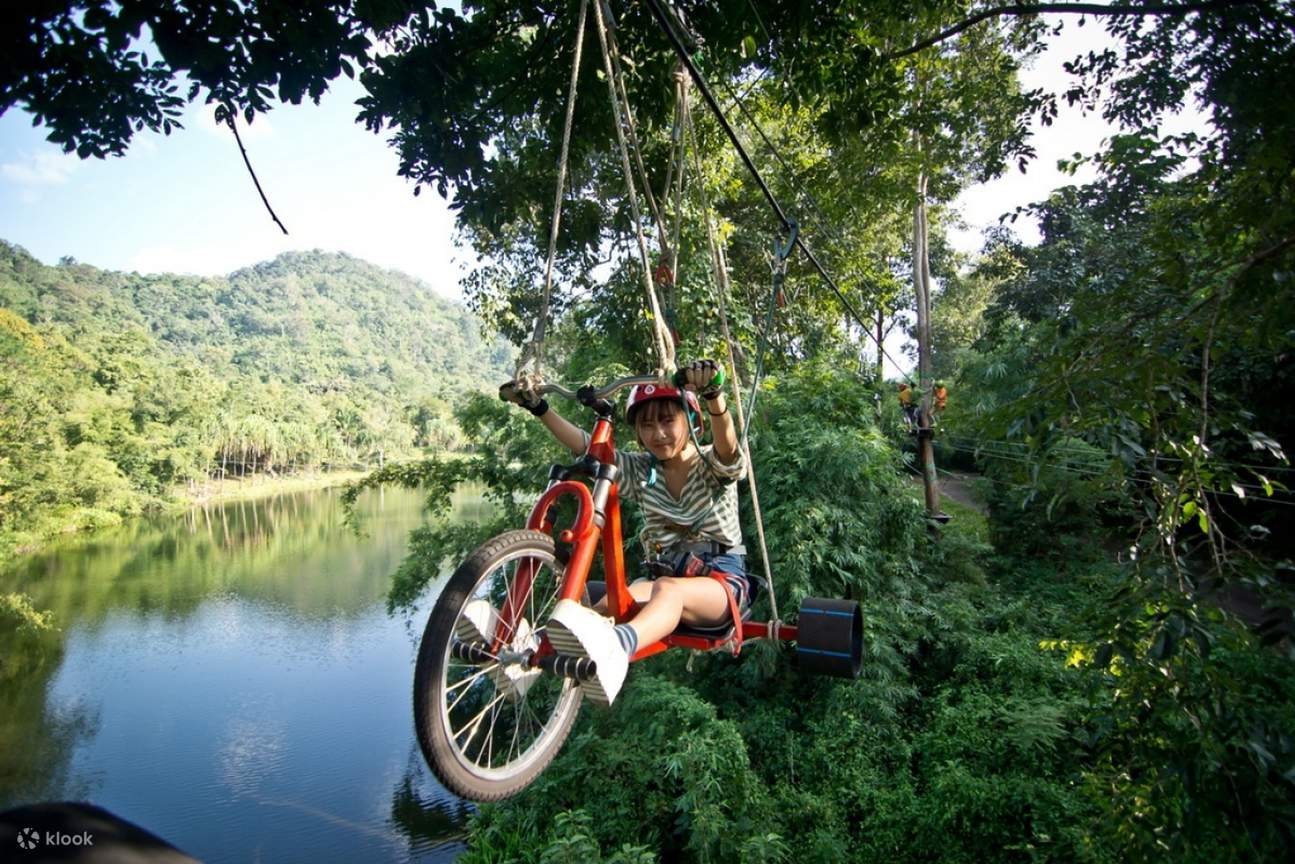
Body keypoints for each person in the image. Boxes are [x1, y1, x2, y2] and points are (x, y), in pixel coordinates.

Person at [500, 359, 749, 706]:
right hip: (666, 574)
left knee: (668, 590)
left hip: (720, 581)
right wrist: (537, 407)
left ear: (692, 422)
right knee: (606, 606)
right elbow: (586, 446)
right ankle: (524, 650)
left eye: (668, 421)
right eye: (647, 425)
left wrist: (713, 395)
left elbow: (729, 448)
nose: (658, 434)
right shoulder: (642, 470)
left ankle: (618, 647)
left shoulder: (713, 463)